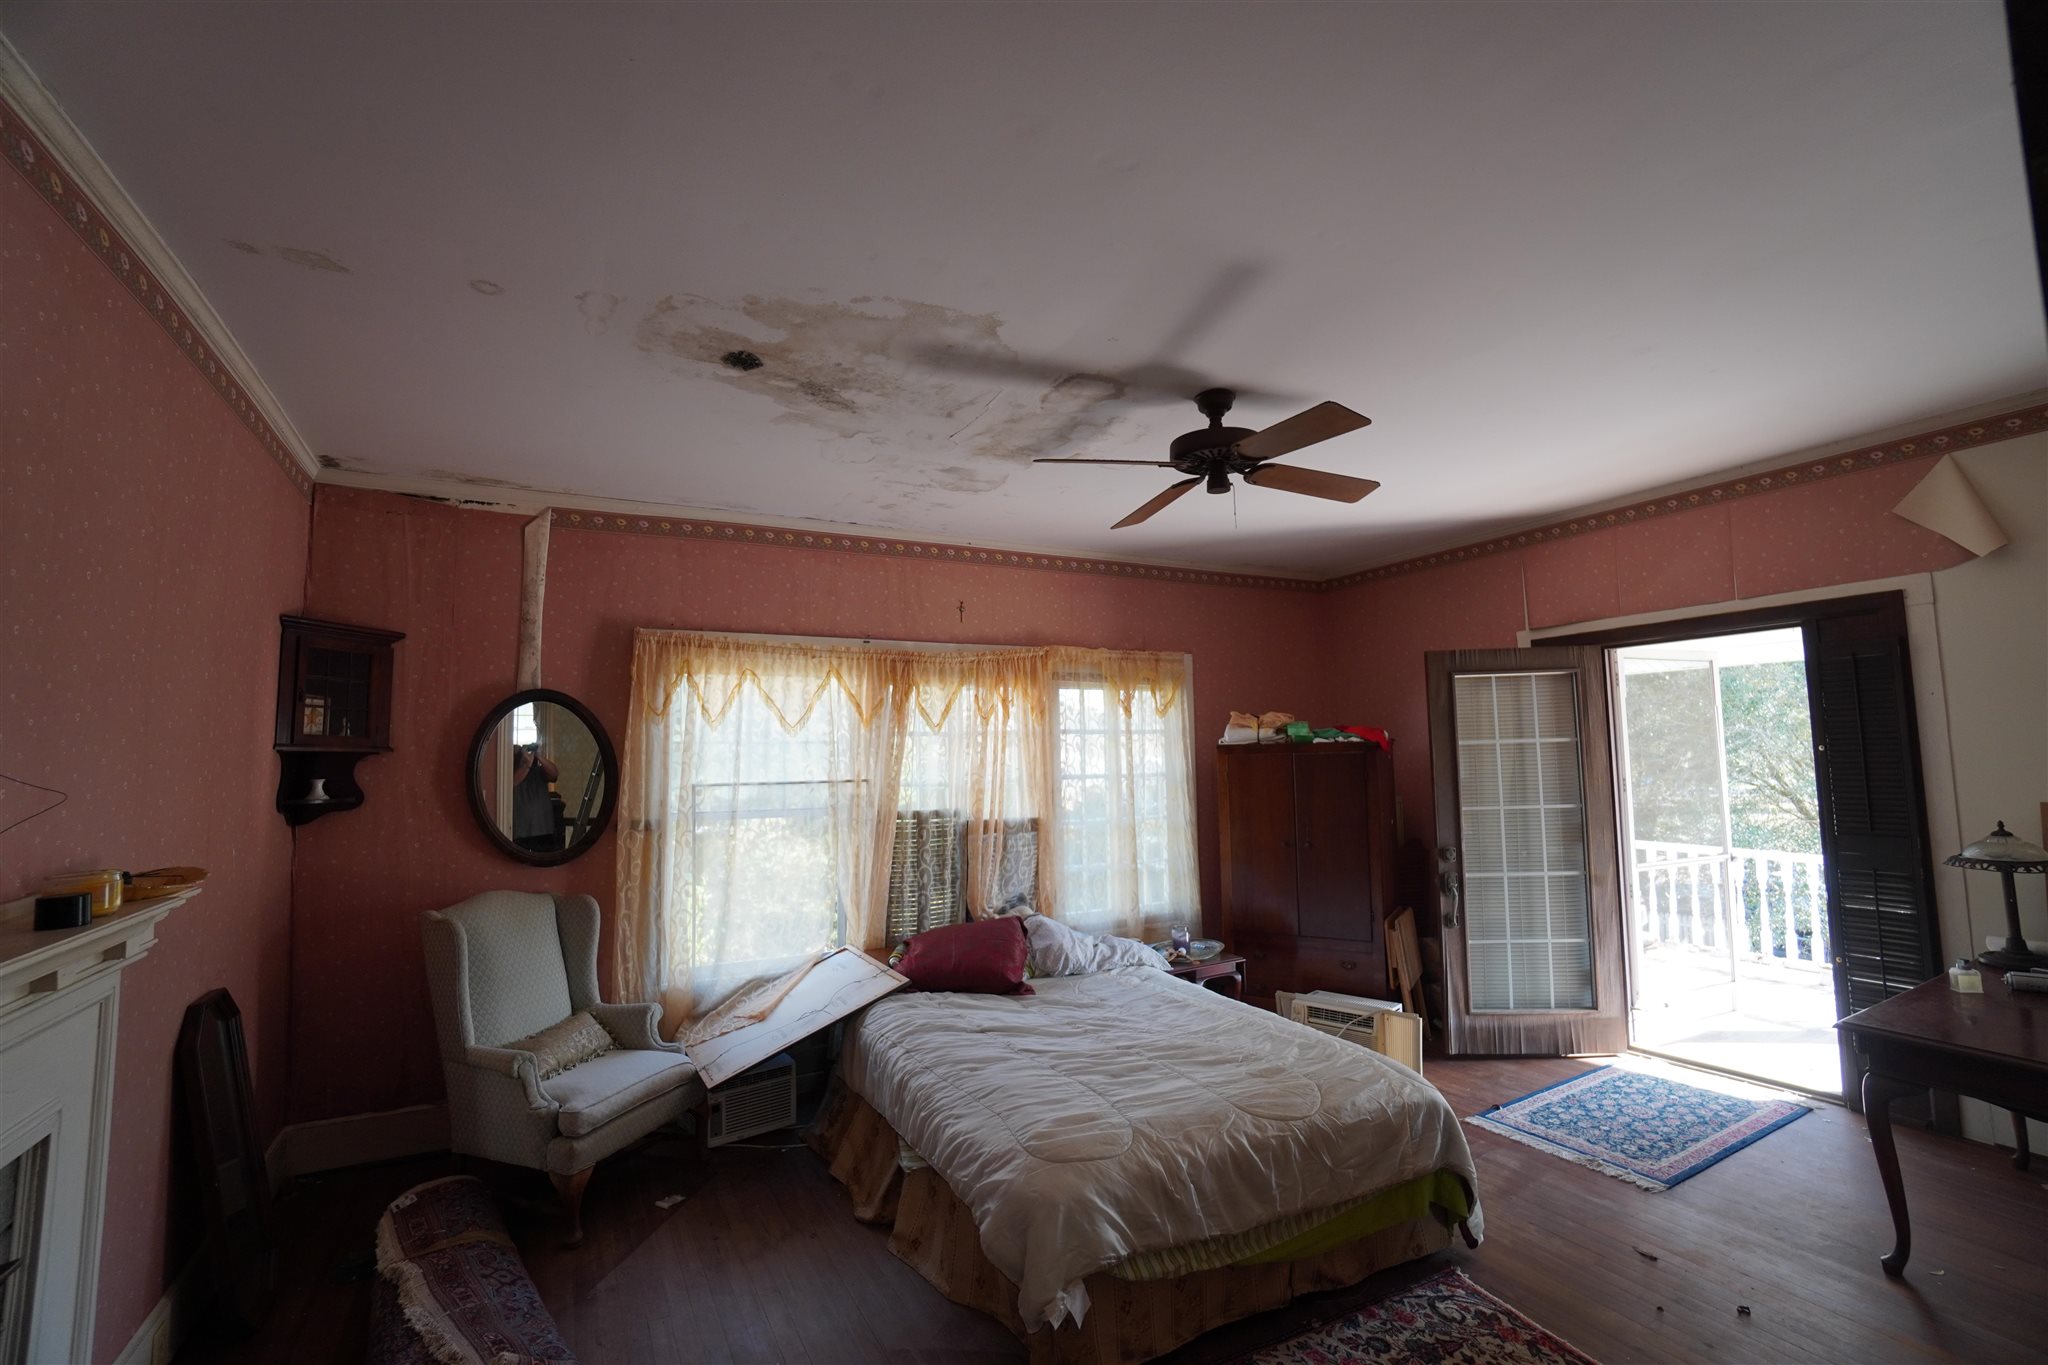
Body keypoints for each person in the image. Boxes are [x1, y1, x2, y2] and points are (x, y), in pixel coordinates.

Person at [511, 742, 561, 852]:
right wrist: (526, 764)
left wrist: (538, 755)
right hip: (521, 831)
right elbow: (514, 783)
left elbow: (554, 774)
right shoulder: (511, 771)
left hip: (544, 829)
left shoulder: (539, 772)